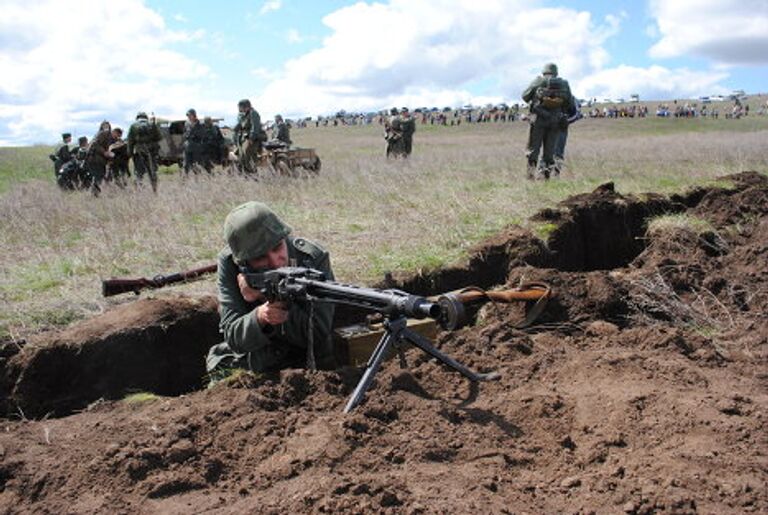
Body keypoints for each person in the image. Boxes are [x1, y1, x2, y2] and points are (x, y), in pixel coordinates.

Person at [206, 201, 336, 380]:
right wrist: (259, 316)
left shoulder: (312, 258)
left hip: (310, 364)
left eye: (277, 248)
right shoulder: (230, 264)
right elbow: (234, 337)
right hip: (259, 362)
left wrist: (263, 295)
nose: (275, 261)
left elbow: (318, 332)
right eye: (261, 258)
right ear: (244, 262)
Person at [521, 62, 573, 179]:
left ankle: (530, 176)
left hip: (538, 120)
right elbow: (569, 103)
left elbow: (525, 96)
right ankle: (546, 177)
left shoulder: (539, 81)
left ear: (544, 72)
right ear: (556, 72)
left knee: (533, 149)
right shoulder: (564, 84)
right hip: (555, 121)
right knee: (549, 152)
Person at [127, 112, 162, 192]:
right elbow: (159, 137)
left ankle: (139, 190)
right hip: (151, 152)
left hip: (139, 152)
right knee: (152, 172)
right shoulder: (152, 124)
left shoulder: (133, 126)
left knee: (139, 172)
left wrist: (130, 154)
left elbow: (130, 141)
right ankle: (154, 189)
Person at [233, 99, 267, 173]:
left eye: (240, 107)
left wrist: (251, 138)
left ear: (245, 106)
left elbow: (255, 127)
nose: (239, 109)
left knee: (248, 156)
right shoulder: (244, 115)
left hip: (252, 139)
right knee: (242, 156)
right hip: (244, 139)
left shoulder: (253, 113)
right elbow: (241, 125)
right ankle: (244, 173)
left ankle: (252, 174)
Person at [86, 120, 114, 196]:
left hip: (97, 159)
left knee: (99, 176)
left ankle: (95, 193)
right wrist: (104, 152)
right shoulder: (102, 134)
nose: (106, 128)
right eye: (105, 126)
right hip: (96, 159)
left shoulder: (101, 135)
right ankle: (95, 193)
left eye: (107, 126)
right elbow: (96, 145)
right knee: (98, 176)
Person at [554, 95, 582, 163]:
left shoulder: (569, 96)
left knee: (556, 152)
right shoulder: (569, 95)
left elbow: (576, 114)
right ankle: (551, 171)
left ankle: (547, 171)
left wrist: (565, 121)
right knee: (556, 152)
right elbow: (577, 114)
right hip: (557, 127)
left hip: (559, 127)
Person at [183, 108, 208, 175]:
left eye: (190, 115)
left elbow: (202, 135)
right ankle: (185, 180)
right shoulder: (186, 123)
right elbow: (184, 133)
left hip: (196, 148)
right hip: (188, 147)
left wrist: (194, 134)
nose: (189, 117)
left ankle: (197, 180)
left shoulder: (200, 124)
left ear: (194, 115)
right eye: (188, 115)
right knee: (186, 165)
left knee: (196, 165)